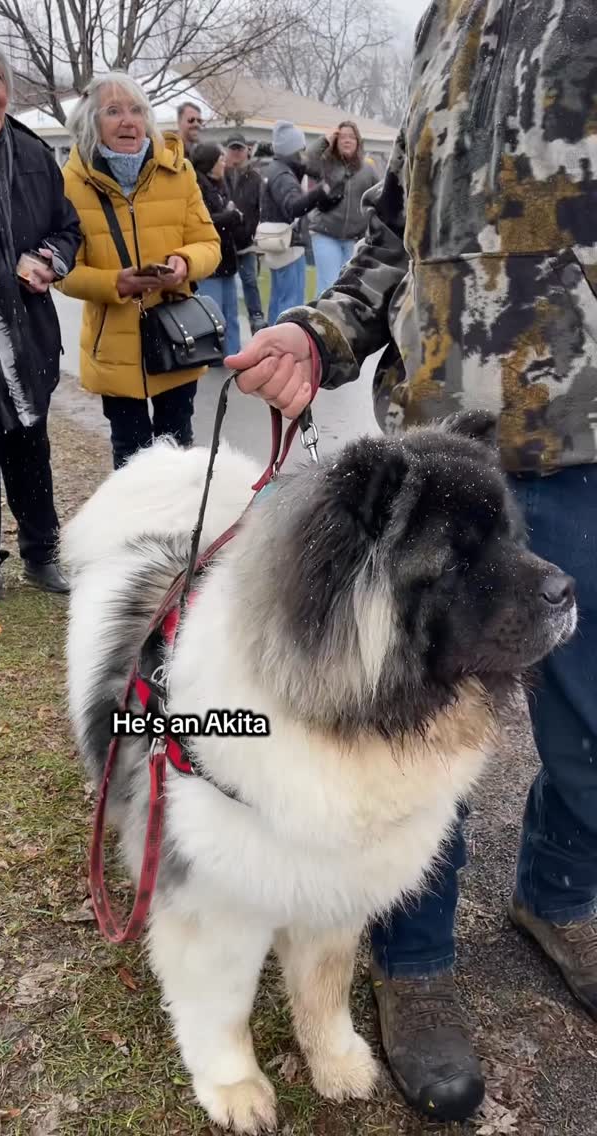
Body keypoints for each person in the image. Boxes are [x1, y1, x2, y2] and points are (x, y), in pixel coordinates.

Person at [228, 0, 597, 1125]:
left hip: (588, 443)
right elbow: (397, 233)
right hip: (445, 459)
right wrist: (323, 328)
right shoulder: (444, 21)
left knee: (589, 727)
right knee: (401, 722)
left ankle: (558, 896)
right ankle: (415, 957)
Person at [0, 24, 81, 600]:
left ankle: (42, 552)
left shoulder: (32, 154)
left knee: (31, 451)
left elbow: (68, 228)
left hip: (24, 339)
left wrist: (50, 259)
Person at [57, 74, 220, 471]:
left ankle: (178, 532)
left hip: (176, 336)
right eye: (113, 111)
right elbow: (63, 271)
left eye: (136, 110)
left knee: (177, 447)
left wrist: (184, 262)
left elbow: (210, 245)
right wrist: (115, 283)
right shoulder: (68, 185)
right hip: (113, 346)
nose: (128, 121)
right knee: (130, 456)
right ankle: (135, 533)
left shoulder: (178, 172)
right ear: (91, 122)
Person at [260, 120, 340, 324]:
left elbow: (307, 163)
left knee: (278, 299)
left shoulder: (274, 169)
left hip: (280, 245)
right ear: (293, 149)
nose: (304, 153)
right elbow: (293, 207)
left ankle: (272, 337)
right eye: (301, 149)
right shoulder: (284, 176)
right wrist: (320, 192)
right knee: (290, 304)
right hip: (290, 247)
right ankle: (282, 344)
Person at [306, 121, 378, 296]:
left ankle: (342, 323)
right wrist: (325, 140)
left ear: (358, 142)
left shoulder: (368, 169)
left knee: (349, 288)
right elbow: (309, 160)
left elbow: (379, 199)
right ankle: (320, 321)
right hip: (325, 233)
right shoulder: (326, 164)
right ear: (336, 142)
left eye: (351, 137)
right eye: (343, 137)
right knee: (328, 285)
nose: (347, 141)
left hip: (354, 239)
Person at [191, 142, 242, 358]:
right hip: (210, 264)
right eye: (220, 159)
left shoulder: (222, 184)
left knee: (231, 313)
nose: (224, 163)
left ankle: (233, 354)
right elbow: (204, 221)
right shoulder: (197, 188)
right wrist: (231, 217)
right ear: (211, 163)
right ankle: (212, 356)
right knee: (213, 314)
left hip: (227, 259)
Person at [225, 132, 266, 334]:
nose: (236, 153)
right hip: (224, 241)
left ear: (246, 151)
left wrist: (252, 231)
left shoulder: (255, 178)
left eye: (239, 149)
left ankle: (256, 321)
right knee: (227, 285)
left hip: (246, 240)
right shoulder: (219, 175)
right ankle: (226, 325)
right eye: (232, 149)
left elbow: (261, 208)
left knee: (250, 281)